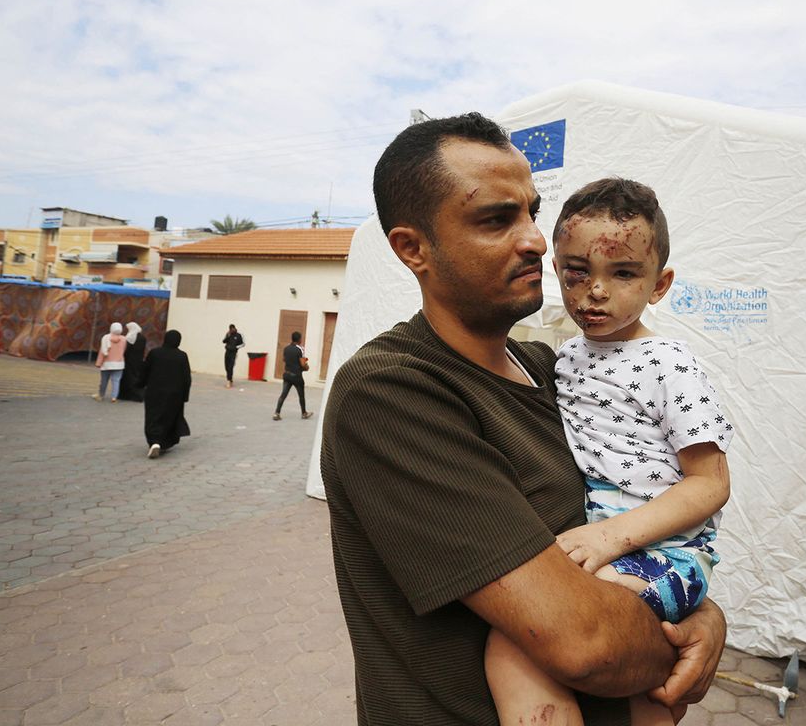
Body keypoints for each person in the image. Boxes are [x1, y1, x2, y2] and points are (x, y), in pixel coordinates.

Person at [321, 113, 726, 726]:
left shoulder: (555, 369)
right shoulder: (391, 391)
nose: (536, 239)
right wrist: (687, 634)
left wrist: (701, 611)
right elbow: (586, 644)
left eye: (532, 212)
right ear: (413, 248)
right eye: (495, 218)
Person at [485, 178, 732, 726]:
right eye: (578, 271)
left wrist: (608, 536)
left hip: (666, 554)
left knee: (519, 645)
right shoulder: (565, 359)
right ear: (557, 271)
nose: (595, 291)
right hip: (607, 551)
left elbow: (711, 482)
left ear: (659, 284)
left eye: (622, 273)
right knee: (650, 694)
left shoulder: (671, 364)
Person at [141, 329, 192, 459]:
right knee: (169, 418)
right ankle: (162, 442)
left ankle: (154, 441)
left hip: (154, 392)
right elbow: (187, 378)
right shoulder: (182, 356)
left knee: (153, 416)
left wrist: (140, 385)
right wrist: (185, 396)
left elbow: (145, 371)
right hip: (175, 395)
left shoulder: (155, 353)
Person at [273, 331, 312, 421]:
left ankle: (276, 413)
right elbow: (303, 364)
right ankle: (304, 413)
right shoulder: (300, 349)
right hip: (296, 376)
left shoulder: (286, 348)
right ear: (299, 339)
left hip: (287, 375)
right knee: (301, 395)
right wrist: (307, 367)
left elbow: (284, 359)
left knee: (283, 395)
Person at [93, 322, 126, 402]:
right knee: (116, 381)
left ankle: (101, 395)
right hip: (119, 364)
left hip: (106, 364)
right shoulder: (123, 339)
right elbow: (123, 350)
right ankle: (114, 397)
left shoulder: (106, 338)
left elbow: (102, 352)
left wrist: (99, 363)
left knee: (104, 381)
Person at [117, 321, 146, 401]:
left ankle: (126, 395)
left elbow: (126, 349)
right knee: (135, 377)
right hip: (138, 361)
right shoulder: (143, 338)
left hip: (129, 361)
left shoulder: (130, 337)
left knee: (127, 378)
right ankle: (138, 395)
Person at [222, 323, 244, 388]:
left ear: (234, 328)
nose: (231, 330)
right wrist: (227, 336)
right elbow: (224, 341)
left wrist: (236, 347)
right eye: (230, 329)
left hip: (233, 353)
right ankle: (230, 379)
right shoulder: (228, 334)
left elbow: (243, 344)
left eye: (232, 328)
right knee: (226, 366)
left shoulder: (239, 335)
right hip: (227, 352)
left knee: (230, 367)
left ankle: (228, 381)